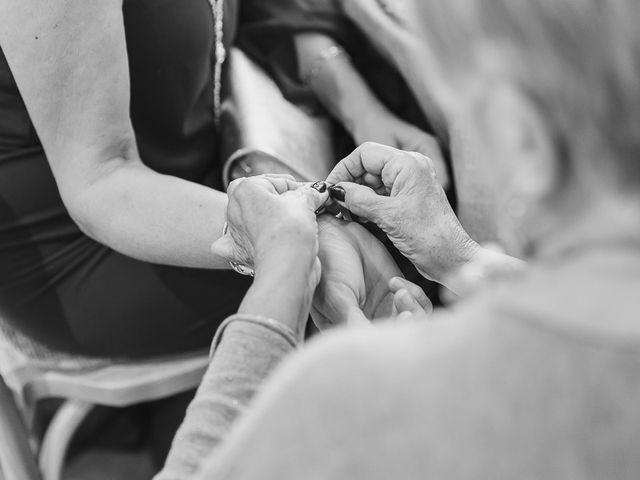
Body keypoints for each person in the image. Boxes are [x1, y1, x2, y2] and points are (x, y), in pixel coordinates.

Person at [154, 0, 640, 478]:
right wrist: (459, 258)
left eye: (456, 109)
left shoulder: (354, 393)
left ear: (520, 134)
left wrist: (279, 283)